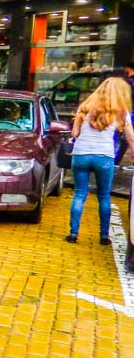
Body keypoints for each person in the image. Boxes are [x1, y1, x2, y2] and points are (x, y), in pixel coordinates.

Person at [66, 77, 134, 245]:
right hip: (104, 157)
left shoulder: (85, 108)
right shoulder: (121, 112)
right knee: (104, 196)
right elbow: (131, 137)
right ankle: (104, 237)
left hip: (81, 155)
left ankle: (73, 234)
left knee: (79, 194)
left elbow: (74, 134)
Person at [114, 62, 134, 166]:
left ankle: (115, 160)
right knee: (129, 136)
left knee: (118, 135)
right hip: (130, 112)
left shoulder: (126, 82)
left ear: (128, 68)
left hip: (126, 111)